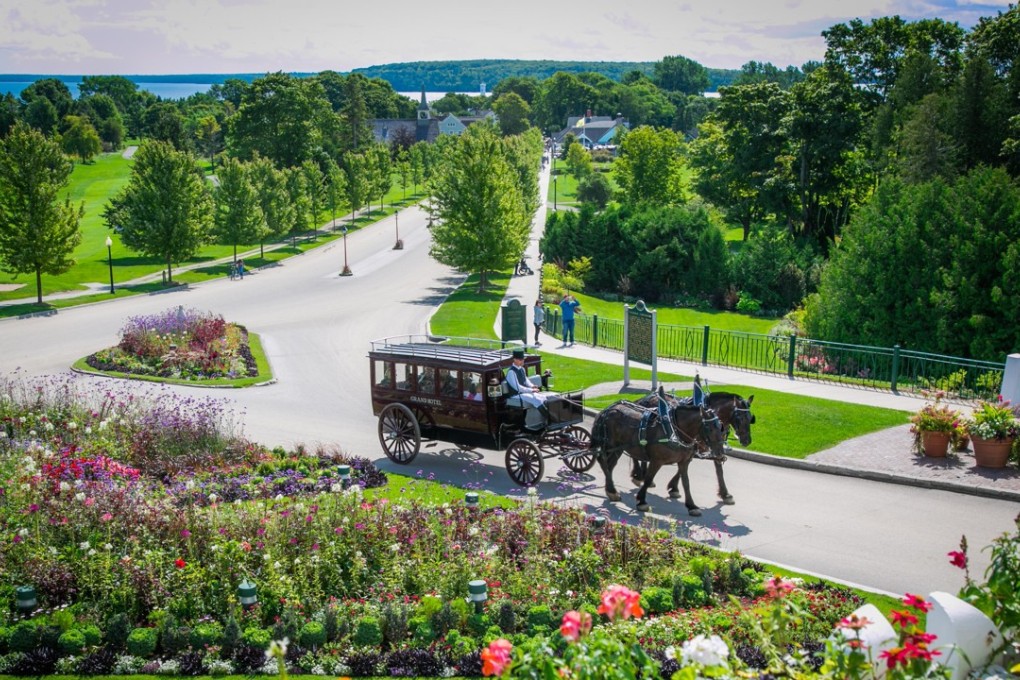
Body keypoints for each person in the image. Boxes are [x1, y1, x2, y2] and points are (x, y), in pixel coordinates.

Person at [506, 348, 549, 426]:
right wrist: (531, 390)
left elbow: (526, 381)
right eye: (520, 360)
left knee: (542, 397)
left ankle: (545, 419)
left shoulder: (522, 369)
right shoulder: (511, 372)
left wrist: (532, 386)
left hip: (523, 393)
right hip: (516, 395)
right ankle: (548, 418)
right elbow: (518, 387)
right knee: (536, 399)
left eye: (523, 359)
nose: (522, 361)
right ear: (515, 360)